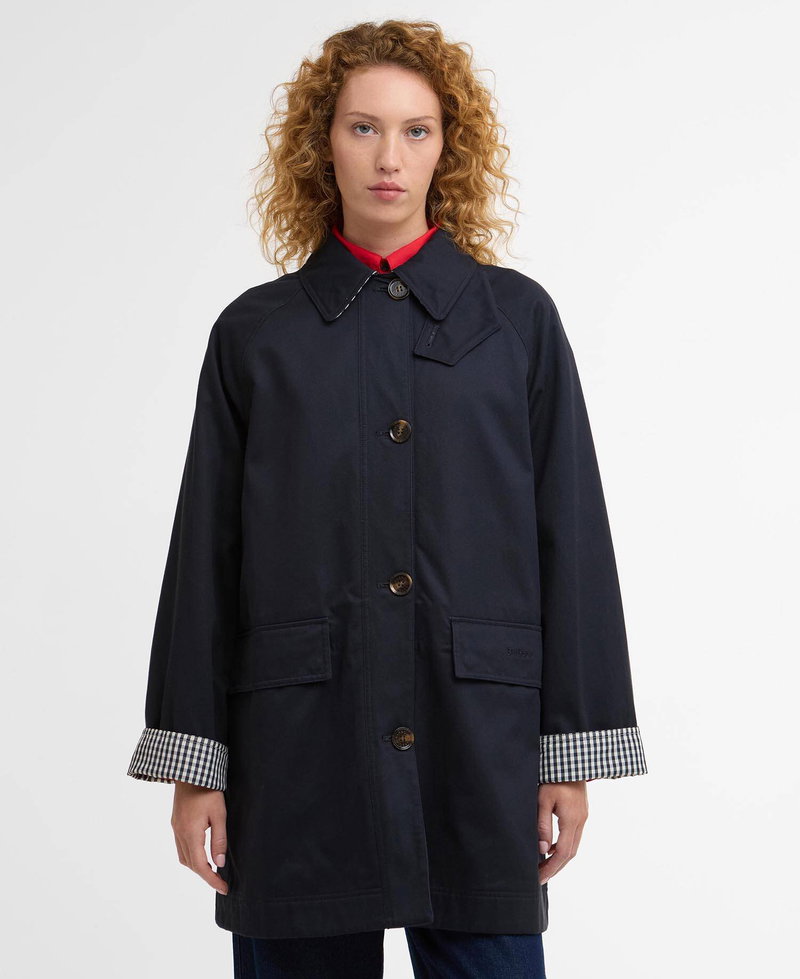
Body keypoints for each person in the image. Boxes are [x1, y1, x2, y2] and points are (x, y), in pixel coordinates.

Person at [127, 18, 647, 979]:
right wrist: (197, 767)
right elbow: (206, 555)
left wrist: (568, 754)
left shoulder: (516, 322)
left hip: (477, 746)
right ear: (322, 143)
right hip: (298, 751)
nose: (388, 158)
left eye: (416, 130)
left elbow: (570, 538)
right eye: (363, 128)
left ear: (449, 147)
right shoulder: (256, 335)